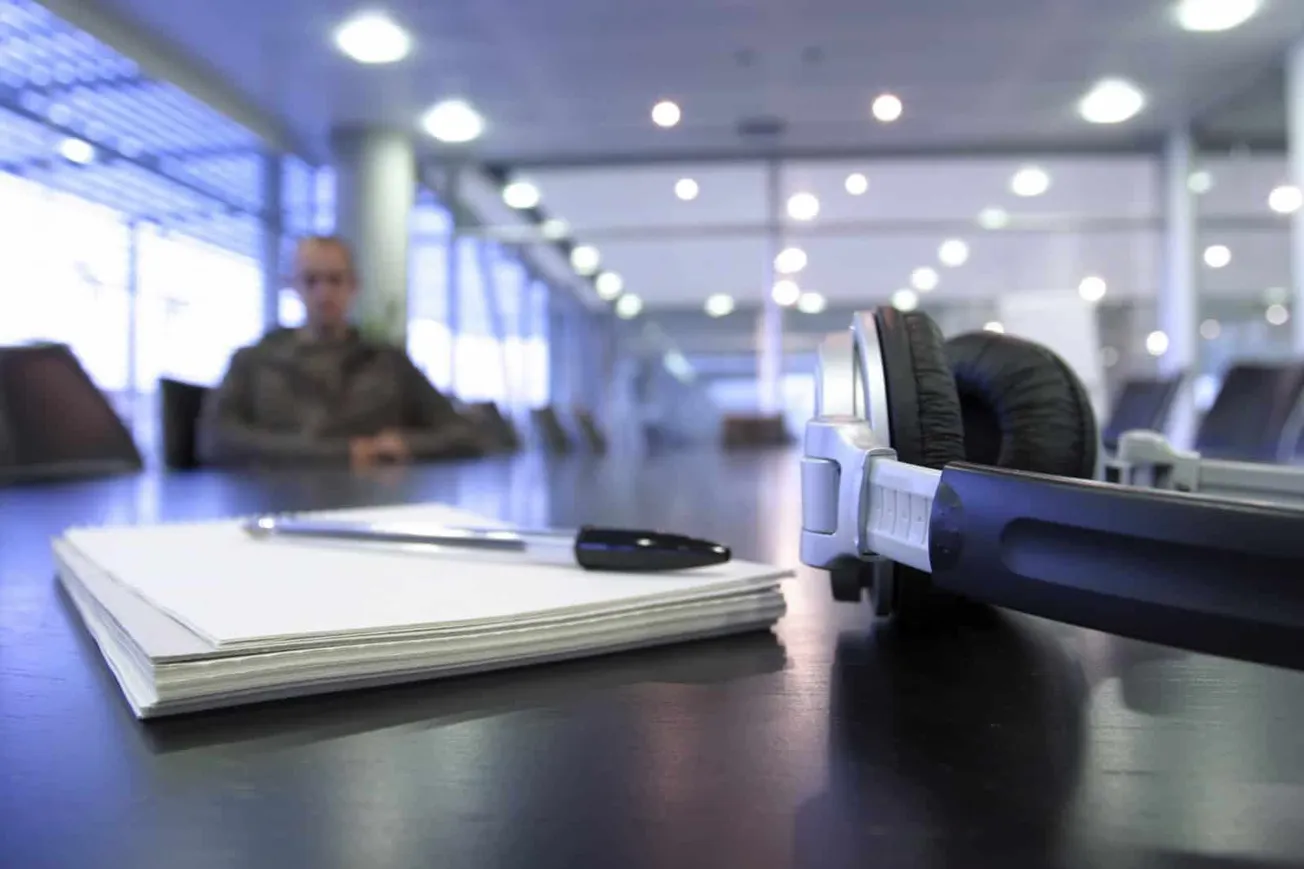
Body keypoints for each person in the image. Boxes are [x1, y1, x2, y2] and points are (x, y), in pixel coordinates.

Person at [198, 235, 484, 468]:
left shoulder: (389, 363)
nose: (323, 293)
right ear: (293, 285)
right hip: (277, 502)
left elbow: (462, 434)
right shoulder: (253, 362)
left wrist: (408, 444)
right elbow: (215, 440)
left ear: (353, 285)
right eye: (311, 280)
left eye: (334, 280)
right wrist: (343, 452)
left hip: (373, 501)